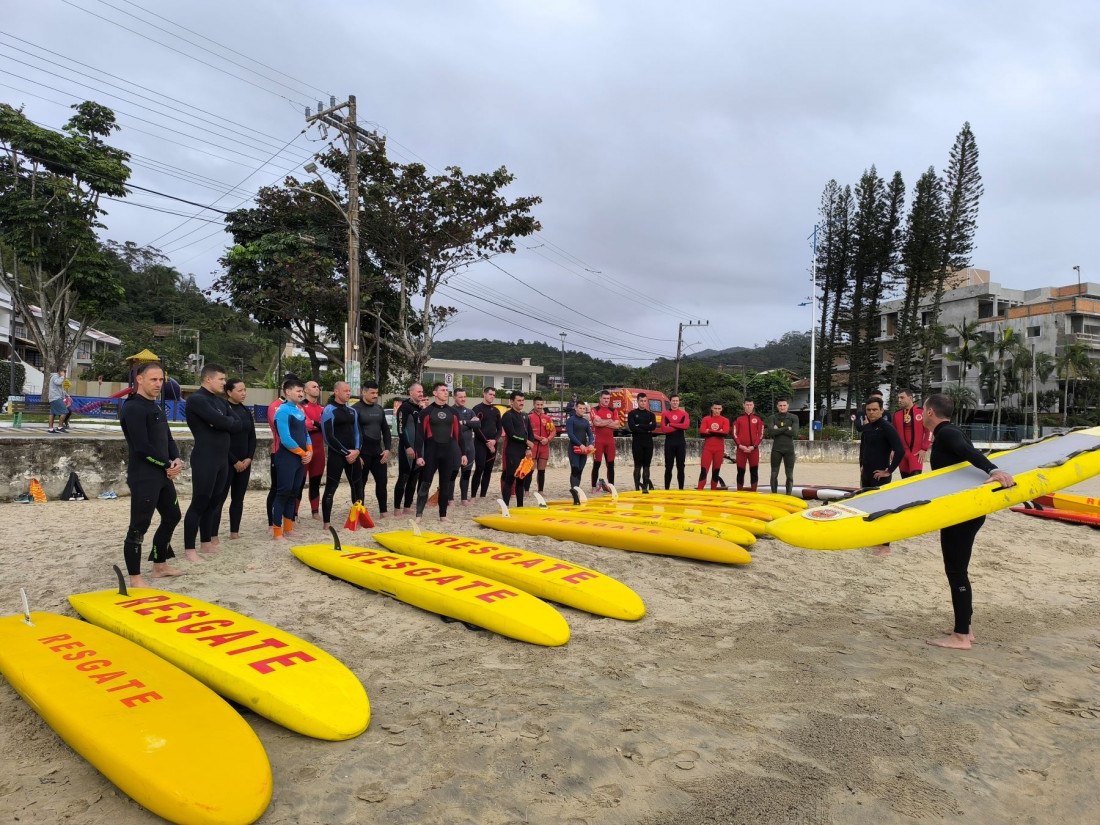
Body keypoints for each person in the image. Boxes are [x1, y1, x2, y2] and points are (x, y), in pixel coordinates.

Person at [922, 393, 1015, 650]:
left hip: (962, 512)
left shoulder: (947, 434)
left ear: (930, 412)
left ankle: (961, 635)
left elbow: (969, 453)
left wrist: (994, 471)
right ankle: (966, 627)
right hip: (964, 510)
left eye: (923, 409)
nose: (921, 413)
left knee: (956, 570)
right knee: (958, 569)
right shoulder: (952, 431)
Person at [119, 362, 184, 587]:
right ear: (139, 379)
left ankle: (159, 564)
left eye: (161, 380)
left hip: (163, 474)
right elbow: (141, 447)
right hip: (144, 475)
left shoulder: (155, 406)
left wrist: (175, 459)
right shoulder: (133, 407)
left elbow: (167, 438)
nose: (158, 384)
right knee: (139, 525)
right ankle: (135, 577)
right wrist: (166, 464)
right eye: (153, 380)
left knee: (173, 516)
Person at [183, 363, 241, 556]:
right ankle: (190, 549)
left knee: (214, 502)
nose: (225, 383)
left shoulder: (220, 402)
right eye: (221, 379)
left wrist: (221, 422)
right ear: (208, 379)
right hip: (205, 457)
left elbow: (237, 424)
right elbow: (222, 421)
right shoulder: (197, 400)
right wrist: (221, 422)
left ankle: (206, 542)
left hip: (221, 459)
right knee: (200, 501)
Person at [415, 382, 465, 520]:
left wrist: (464, 453)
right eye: (442, 390)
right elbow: (419, 436)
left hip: (447, 453)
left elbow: (458, 435)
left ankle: (443, 515)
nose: (445, 392)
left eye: (446, 390)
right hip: (431, 452)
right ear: (435, 393)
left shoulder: (453, 412)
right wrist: (419, 456)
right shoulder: (426, 412)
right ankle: (419, 514)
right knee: (425, 483)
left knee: (445, 484)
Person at [270, 379, 312, 540]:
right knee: (283, 492)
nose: (301, 393)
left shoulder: (299, 410)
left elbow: (305, 434)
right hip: (287, 458)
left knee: (294, 493)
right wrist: (303, 454)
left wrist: (310, 452)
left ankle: (289, 527)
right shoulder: (282, 411)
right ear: (287, 392)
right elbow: (286, 438)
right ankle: (277, 531)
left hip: (300, 459)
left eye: (302, 391)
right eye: (298, 391)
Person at [320, 381, 362, 530]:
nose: (348, 393)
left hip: (353, 455)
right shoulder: (328, 410)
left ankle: (357, 518)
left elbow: (358, 432)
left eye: (349, 391)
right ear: (336, 392)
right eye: (345, 390)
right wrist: (346, 452)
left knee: (358, 486)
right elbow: (328, 437)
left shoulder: (353, 411)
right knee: (331, 488)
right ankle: (326, 523)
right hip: (337, 455)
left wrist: (357, 450)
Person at [219, 378, 256, 540]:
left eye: (244, 390)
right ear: (229, 392)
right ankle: (212, 534)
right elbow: (221, 438)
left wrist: (249, 458)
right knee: (219, 498)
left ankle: (235, 531)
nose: (243, 393)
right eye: (240, 391)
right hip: (227, 461)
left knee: (238, 498)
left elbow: (252, 436)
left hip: (245, 462)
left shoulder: (246, 410)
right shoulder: (223, 409)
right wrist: (234, 461)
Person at [355, 381, 392, 519]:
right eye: (372, 393)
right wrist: (356, 453)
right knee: (360, 484)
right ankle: (360, 513)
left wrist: (387, 449)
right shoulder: (355, 409)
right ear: (363, 392)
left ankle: (383, 512)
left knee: (382, 482)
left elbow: (386, 431)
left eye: (376, 393)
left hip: (378, 452)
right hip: (363, 453)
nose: (375, 395)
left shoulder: (379, 409)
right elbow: (353, 434)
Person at [265, 376, 296, 528]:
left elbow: (307, 425)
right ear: (285, 389)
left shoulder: (296, 407)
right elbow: (283, 431)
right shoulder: (276, 406)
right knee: (277, 489)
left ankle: (289, 520)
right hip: (279, 452)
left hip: (296, 454)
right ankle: (273, 522)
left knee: (293, 489)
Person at [858, 397, 905, 490]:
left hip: (880, 477)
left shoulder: (887, 427)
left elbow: (900, 450)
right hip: (865, 475)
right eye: (868, 410)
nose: (871, 412)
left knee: (879, 504)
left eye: (875, 409)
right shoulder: (866, 427)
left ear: (881, 410)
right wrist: (861, 465)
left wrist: (889, 471)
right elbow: (863, 448)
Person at [393, 383, 425, 514]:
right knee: (404, 477)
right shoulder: (404, 408)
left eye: (422, 391)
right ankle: (396, 508)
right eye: (418, 391)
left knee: (414, 478)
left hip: (419, 448)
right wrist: (407, 447)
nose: (421, 394)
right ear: (411, 392)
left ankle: (407, 507)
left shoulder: (421, 408)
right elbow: (401, 430)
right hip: (407, 448)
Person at [499, 390, 534, 507]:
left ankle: (520, 506)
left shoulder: (524, 415)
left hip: (524, 452)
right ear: (512, 401)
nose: (521, 403)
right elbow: (511, 434)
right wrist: (525, 441)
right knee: (510, 479)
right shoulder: (507, 415)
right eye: (518, 400)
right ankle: (505, 506)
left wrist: (528, 446)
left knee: (521, 479)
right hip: (512, 452)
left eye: (523, 400)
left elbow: (530, 433)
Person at [299, 380, 327, 520]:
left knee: (316, 481)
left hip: (319, 450)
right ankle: (294, 513)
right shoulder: (300, 406)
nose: (317, 388)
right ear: (305, 390)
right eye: (313, 386)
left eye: (318, 386)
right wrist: (318, 424)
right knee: (299, 482)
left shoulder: (323, 408)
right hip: (304, 450)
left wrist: (315, 424)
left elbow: (326, 426)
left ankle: (315, 511)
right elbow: (304, 423)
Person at [471, 386, 502, 498]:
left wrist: (494, 440)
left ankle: (483, 495)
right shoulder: (477, 409)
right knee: (479, 469)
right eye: (490, 394)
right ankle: (473, 495)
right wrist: (487, 442)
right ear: (484, 394)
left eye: (494, 395)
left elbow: (500, 429)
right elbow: (476, 428)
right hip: (480, 444)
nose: (492, 396)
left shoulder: (496, 410)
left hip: (493, 444)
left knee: (488, 470)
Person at [892, 389, 931, 478]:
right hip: (901, 454)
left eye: (902, 397)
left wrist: (924, 448)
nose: (899, 400)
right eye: (898, 398)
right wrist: (893, 449)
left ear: (910, 398)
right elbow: (893, 435)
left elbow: (929, 431)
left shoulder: (921, 412)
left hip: (915, 453)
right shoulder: (896, 415)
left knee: (915, 482)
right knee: (905, 482)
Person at [766, 398, 799, 495]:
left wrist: (778, 429)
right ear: (777, 406)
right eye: (780, 405)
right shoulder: (772, 417)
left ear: (788, 406)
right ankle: (774, 495)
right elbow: (771, 432)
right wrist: (786, 428)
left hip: (789, 450)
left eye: (784, 405)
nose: (782, 407)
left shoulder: (794, 417)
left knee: (789, 476)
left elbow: (794, 433)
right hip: (776, 449)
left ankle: (788, 495)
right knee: (773, 475)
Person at [451, 388, 479, 505]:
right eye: (460, 397)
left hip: (469, 447)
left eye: (464, 397)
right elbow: (455, 428)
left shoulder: (470, 411)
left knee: (466, 473)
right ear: (454, 397)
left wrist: (463, 422)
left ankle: (463, 498)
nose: (463, 399)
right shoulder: (451, 411)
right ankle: (450, 499)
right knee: (452, 474)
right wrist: (469, 423)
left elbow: (478, 424)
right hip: (455, 448)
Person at [627, 392, 658, 492]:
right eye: (641, 401)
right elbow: (632, 428)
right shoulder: (632, 413)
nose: (643, 403)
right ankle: (636, 487)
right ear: (638, 401)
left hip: (648, 443)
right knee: (637, 466)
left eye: (645, 401)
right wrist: (646, 428)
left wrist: (639, 425)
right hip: (637, 443)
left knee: (647, 466)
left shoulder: (651, 414)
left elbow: (653, 427)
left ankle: (645, 487)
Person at [732, 399, 765, 492]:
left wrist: (754, 446)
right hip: (741, 449)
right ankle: (739, 491)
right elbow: (734, 433)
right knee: (740, 471)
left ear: (753, 405)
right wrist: (739, 445)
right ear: (743, 405)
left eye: (750, 405)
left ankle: (754, 491)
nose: (749, 406)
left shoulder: (758, 418)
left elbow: (761, 434)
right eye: (747, 405)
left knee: (754, 471)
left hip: (753, 449)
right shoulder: (738, 418)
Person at [590, 390, 620, 490]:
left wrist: (603, 422)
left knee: (610, 465)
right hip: (598, 442)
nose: (606, 400)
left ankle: (611, 486)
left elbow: (617, 425)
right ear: (600, 398)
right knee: (596, 464)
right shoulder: (594, 409)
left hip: (610, 442)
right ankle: (594, 487)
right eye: (604, 398)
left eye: (608, 398)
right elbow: (596, 423)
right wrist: (610, 421)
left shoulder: (613, 410)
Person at [696, 402, 730, 490]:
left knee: (716, 471)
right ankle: (700, 491)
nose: (717, 411)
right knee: (704, 470)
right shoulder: (706, 419)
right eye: (715, 408)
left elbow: (725, 433)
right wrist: (719, 431)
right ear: (712, 408)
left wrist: (709, 431)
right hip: (708, 449)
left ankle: (713, 491)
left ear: (722, 409)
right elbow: (702, 432)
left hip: (719, 449)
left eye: (719, 409)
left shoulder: (725, 420)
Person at [661, 394, 691, 489]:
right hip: (669, 443)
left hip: (680, 443)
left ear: (679, 402)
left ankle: (681, 489)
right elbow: (664, 429)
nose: (675, 402)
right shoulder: (665, 414)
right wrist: (678, 426)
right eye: (673, 401)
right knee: (668, 467)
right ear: (670, 402)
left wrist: (672, 424)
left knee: (681, 467)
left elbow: (686, 426)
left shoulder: (684, 414)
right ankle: (666, 489)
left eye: (677, 401)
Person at [526, 396, 555, 494]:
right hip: (533, 446)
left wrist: (548, 439)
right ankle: (526, 491)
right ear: (534, 405)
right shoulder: (529, 417)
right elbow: (527, 432)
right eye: (537, 404)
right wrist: (540, 438)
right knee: (530, 470)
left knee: (542, 471)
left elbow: (553, 431)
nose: (539, 406)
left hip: (544, 447)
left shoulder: (547, 418)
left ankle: (541, 490)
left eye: (541, 405)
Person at [565, 401, 594, 492]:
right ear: (576, 408)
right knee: (575, 468)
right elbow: (571, 435)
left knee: (580, 469)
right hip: (574, 449)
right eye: (580, 408)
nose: (582, 410)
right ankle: (574, 490)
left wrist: (591, 444)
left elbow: (590, 435)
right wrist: (580, 444)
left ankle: (577, 489)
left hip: (583, 450)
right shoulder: (571, 420)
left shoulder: (585, 422)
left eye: (583, 408)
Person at [47, 367, 71, 433]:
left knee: (52, 413)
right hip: (55, 397)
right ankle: (60, 427)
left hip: (54, 397)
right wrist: (62, 376)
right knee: (65, 411)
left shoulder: (57, 377)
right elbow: (58, 383)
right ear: (60, 371)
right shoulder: (55, 377)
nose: (65, 373)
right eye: (64, 371)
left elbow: (61, 389)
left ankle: (50, 429)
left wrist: (67, 395)